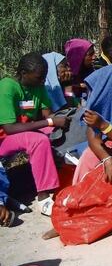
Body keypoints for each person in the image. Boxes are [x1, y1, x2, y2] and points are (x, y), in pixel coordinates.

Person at [67, 64, 112, 242]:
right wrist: (107, 159)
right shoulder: (104, 102)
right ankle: (75, 211)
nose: (92, 94)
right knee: (88, 156)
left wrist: (105, 127)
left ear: (106, 86)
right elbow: (92, 136)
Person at [0, 53, 65, 216]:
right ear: (23, 73)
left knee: (61, 131)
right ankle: (43, 198)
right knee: (38, 140)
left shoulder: (38, 86)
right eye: (38, 78)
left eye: (44, 77)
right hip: (4, 139)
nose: (43, 81)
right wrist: (50, 122)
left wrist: (59, 120)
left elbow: (46, 114)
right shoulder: (7, 86)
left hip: (26, 131)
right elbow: (9, 128)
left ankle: (66, 177)